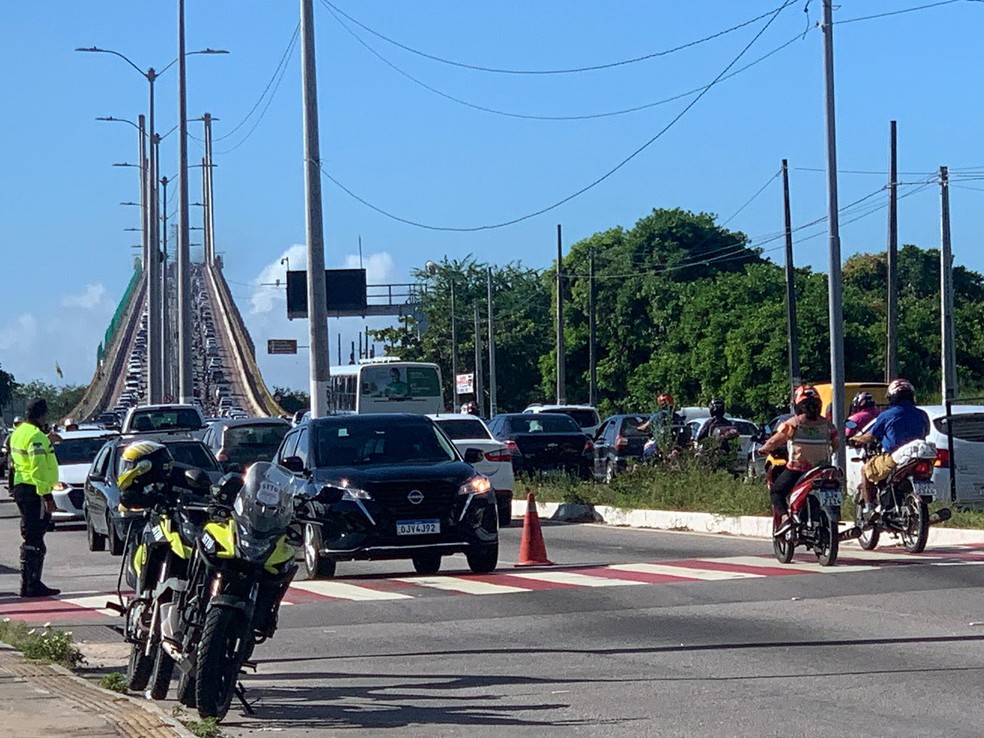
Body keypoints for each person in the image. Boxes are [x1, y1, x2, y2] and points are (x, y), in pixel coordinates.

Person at [756, 385, 839, 531]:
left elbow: (775, 441)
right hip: (823, 470)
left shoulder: (793, 423)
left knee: (776, 492)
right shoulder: (829, 426)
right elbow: (836, 445)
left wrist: (763, 449)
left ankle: (785, 519)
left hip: (798, 470)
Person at [848, 378, 929, 521]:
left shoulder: (887, 415)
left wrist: (855, 439)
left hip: (894, 457)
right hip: (917, 457)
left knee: (865, 470)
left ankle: (869, 508)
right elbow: (926, 432)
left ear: (892, 397)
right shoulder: (922, 414)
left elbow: (870, 436)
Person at [8, 399, 60, 597]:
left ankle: (29, 583)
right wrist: (46, 496)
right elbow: (38, 467)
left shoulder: (18, 433)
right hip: (34, 490)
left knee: (31, 534)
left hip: (23, 487)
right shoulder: (36, 436)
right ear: (42, 415)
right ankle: (31, 584)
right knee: (35, 538)